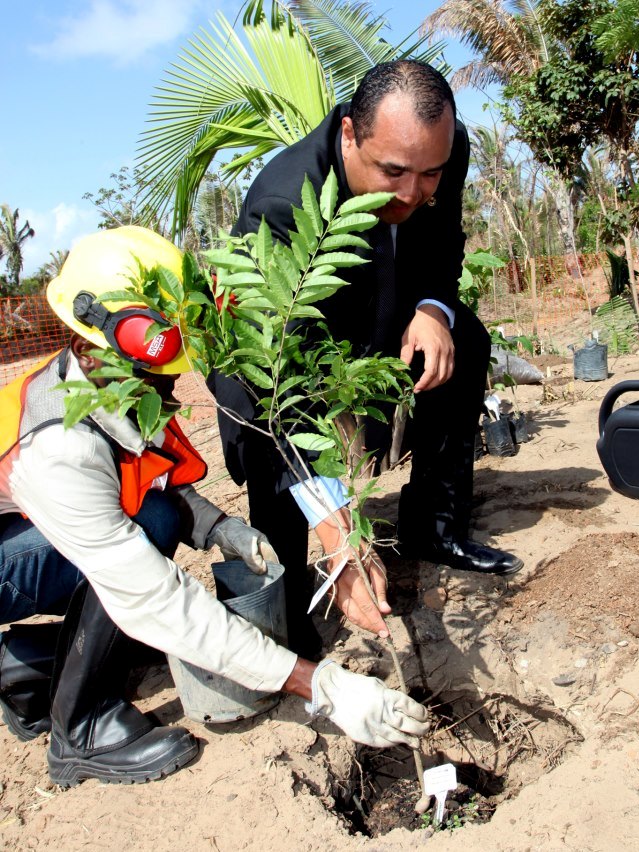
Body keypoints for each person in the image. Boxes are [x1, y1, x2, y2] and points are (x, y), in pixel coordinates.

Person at [0, 225, 429, 787]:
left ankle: (27, 665)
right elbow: (152, 596)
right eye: (151, 372)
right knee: (141, 568)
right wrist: (316, 682)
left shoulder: (109, 383)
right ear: (87, 343)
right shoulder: (58, 444)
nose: (163, 388)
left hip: (38, 538)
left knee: (158, 517)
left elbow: (149, 477)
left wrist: (220, 527)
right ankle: (76, 734)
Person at [209, 60, 524, 661]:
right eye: (393, 172)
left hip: (385, 316)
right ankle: (289, 590)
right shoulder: (283, 202)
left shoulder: (441, 150)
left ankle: (433, 527)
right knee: (269, 425)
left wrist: (432, 308)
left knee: (468, 338)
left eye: (428, 173)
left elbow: (443, 236)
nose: (412, 193)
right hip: (283, 355)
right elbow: (282, 383)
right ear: (351, 134)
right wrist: (339, 533)